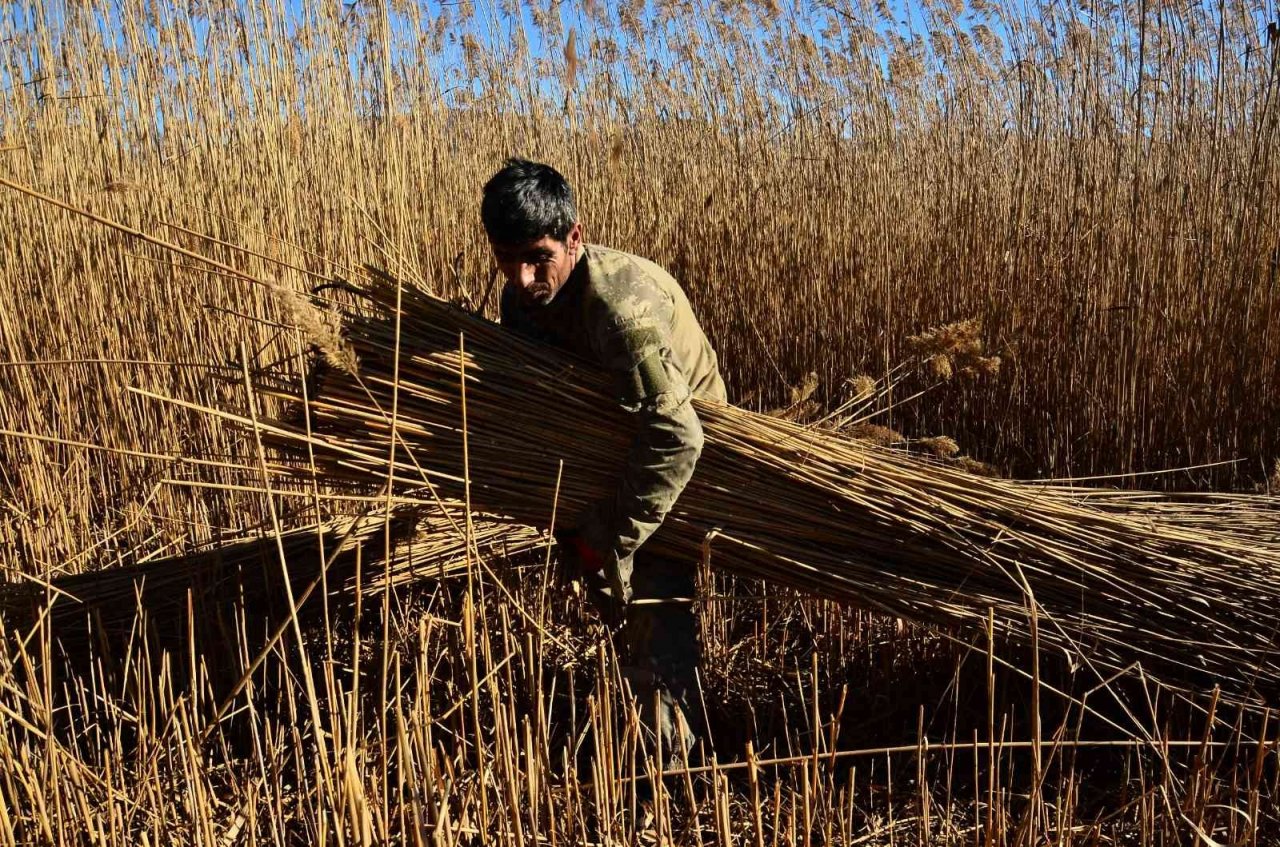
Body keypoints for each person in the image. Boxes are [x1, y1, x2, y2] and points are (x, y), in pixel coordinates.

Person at [482, 158, 726, 764]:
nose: (521, 276)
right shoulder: (524, 296)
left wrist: (607, 536)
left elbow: (677, 438)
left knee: (652, 608)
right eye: (507, 259)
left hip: (687, 468)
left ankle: (677, 777)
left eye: (539, 256)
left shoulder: (622, 311)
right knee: (620, 612)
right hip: (608, 443)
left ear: (575, 237)